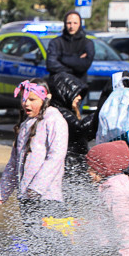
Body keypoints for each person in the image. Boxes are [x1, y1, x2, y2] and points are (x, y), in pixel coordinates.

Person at [0, 79, 69, 256]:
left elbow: (56, 156)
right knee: (35, 242)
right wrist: (4, 190)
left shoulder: (55, 120)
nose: (26, 104)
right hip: (27, 196)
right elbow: (14, 160)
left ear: (45, 98)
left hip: (47, 197)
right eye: (24, 99)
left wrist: (37, 187)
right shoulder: (27, 123)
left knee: (47, 244)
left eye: (32, 99)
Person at [47, 72, 98, 202]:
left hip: (74, 165)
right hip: (69, 167)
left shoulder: (65, 112)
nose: (79, 97)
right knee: (72, 205)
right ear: (64, 92)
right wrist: (99, 113)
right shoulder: (60, 113)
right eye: (76, 93)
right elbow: (80, 128)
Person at [46, 11, 94, 82]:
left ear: (80, 24)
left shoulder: (87, 43)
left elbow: (84, 65)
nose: (72, 26)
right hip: (58, 85)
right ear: (65, 24)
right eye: (69, 23)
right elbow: (51, 65)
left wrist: (62, 58)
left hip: (79, 87)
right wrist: (75, 62)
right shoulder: (55, 42)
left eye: (75, 23)